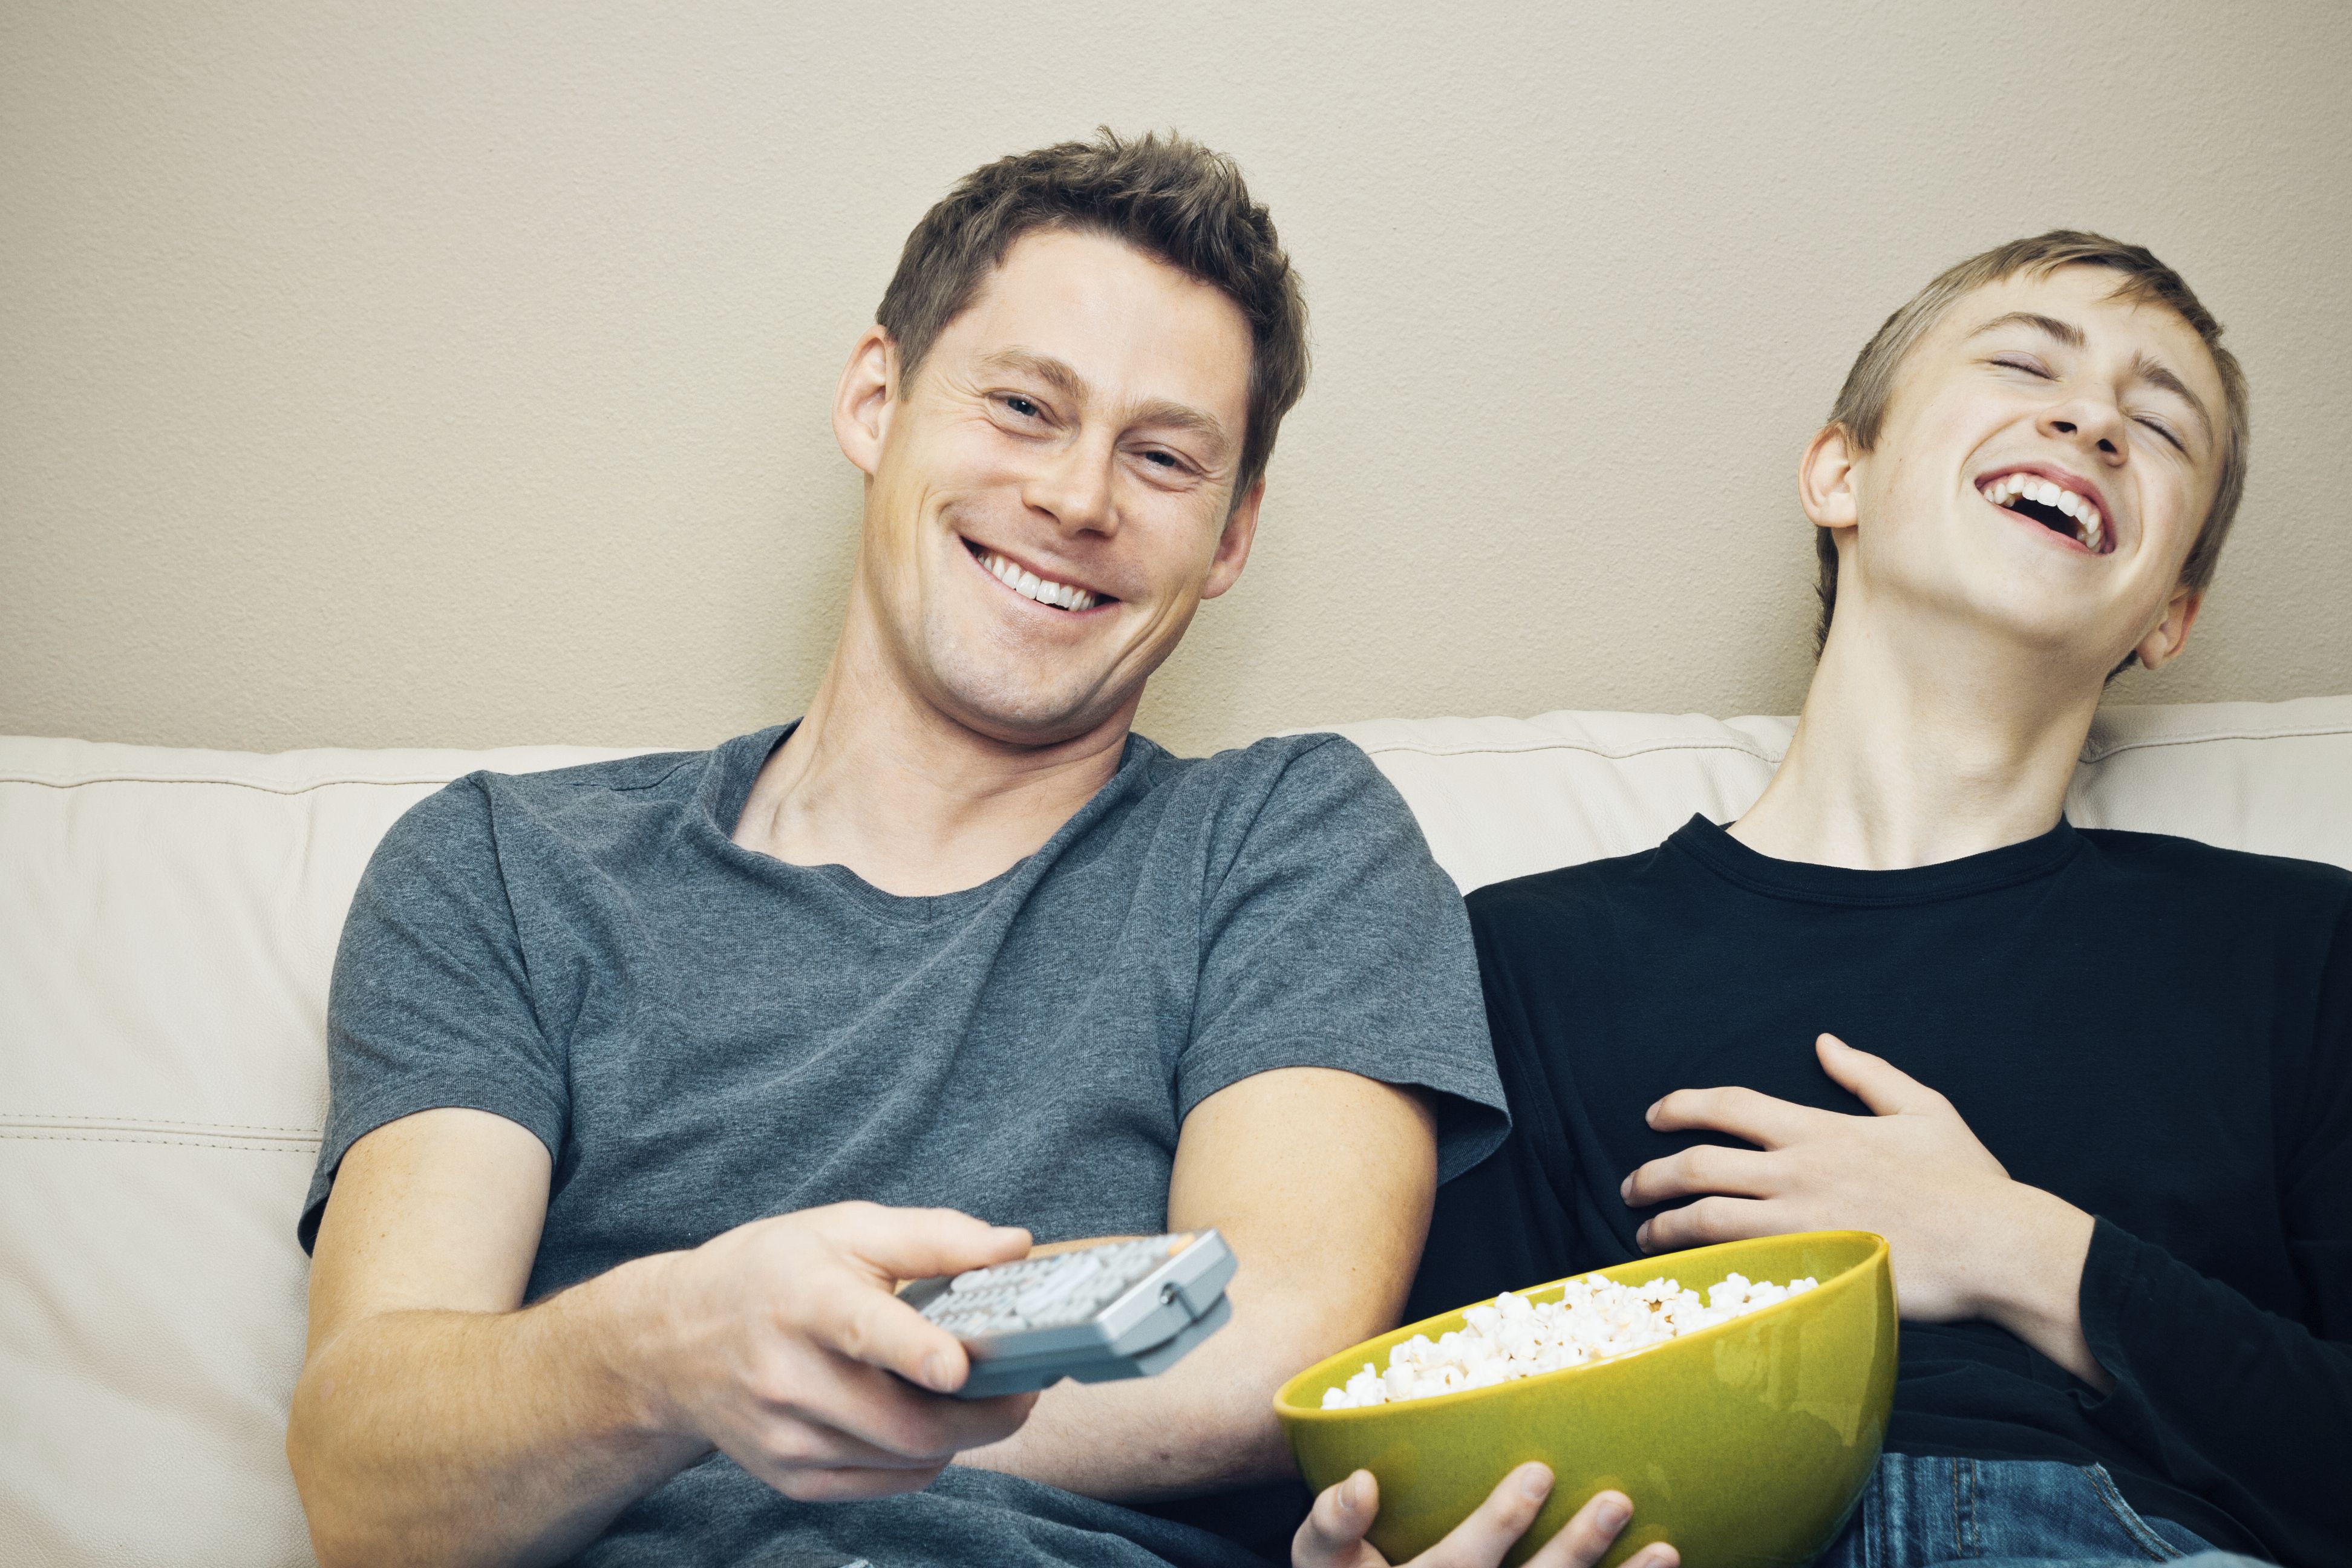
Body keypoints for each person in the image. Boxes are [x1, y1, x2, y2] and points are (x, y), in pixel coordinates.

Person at [283, 130, 1523, 1568]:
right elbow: (367, 1483)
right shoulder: (500, 869)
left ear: (1233, 535)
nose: (1077, 498)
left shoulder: (1284, 838)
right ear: (878, 399)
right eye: (1021, 406)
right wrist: (670, 1350)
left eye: (1165, 456)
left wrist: (808, 1354)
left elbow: (1269, 1335)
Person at [1364, 232, 2345, 1568]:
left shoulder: (2301, 949)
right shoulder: (1522, 956)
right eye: (2024, 364)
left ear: (2169, 613)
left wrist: (2021, 1250)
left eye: (2160, 424)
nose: (2094, 420)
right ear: (1843, 472)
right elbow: (1424, 1447)